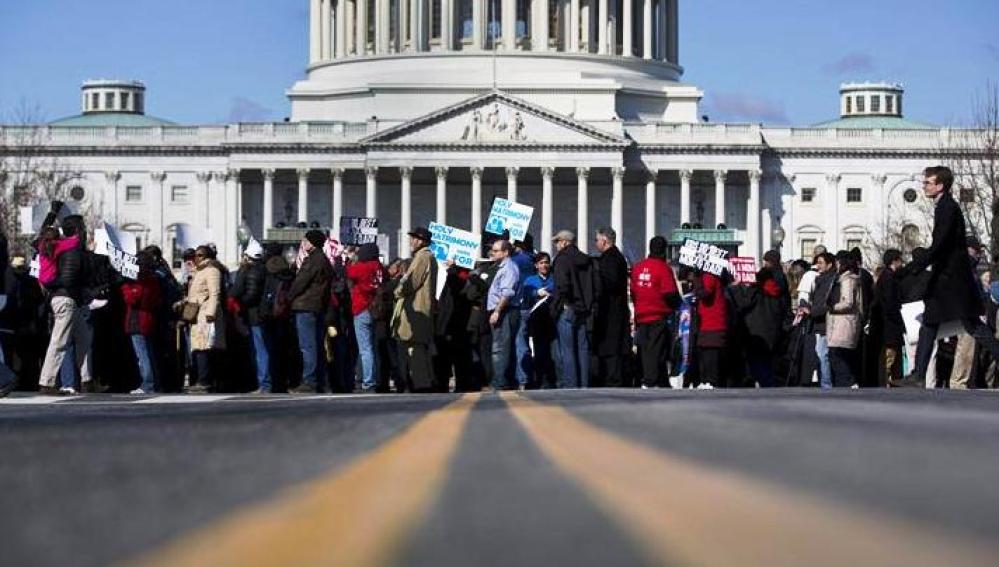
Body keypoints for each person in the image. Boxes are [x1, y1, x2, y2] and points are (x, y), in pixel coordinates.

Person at [907, 166, 999, 385]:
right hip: (949, 278)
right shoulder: (945, 206)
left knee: (972, 325)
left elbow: (941, 244)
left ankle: (918, 375)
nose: (924, 186)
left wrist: (917, 264)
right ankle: (918, 375)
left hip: (951, 280)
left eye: (928, 182)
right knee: (932, 322)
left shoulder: (947, 208)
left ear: (940, 185)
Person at [38, 214, 93, 396]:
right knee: (59, 341)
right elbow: (74, 242)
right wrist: (78, 235)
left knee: (83, 338)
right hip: (65, 299)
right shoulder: (62, 247)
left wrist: (51, 216)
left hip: (61, 296)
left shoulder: (45, 246)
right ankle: (47, 381)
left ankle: (87, 380)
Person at [630, 236, 681, 389]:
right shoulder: (663, 268)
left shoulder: (638, 267)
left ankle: (658, 380)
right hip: (658, 316)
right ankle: (650, 381)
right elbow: (669, 293)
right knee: (656, 351)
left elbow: (633, 292)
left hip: (641, 315)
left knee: (644, 349)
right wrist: (678, 305)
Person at [287, 230, 333, 393]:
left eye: (306, 241)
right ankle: (319, 380)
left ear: (312, 243)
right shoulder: (323, 259)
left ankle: (310, 381)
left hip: (306, 306)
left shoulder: (313, 260)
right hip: (316, 306)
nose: (303, 243)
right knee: (316, 345)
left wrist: (288, 297)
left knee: (308, 346)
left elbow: (300, 282)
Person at [392, 227, 437, 392]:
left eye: (417, 239)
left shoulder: (423, 256)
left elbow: (411, 282)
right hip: (420, 307)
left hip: (417, 308)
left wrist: (397, 291)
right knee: (418, 348)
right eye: (412, 238)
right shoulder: (426, 256)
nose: (413, 241)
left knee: (416, 347)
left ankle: (422, 384)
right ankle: (424, 382)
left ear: (424, 241)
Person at [552, 230, 594, 389]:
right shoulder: (586, 259)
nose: (556, 245)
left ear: (564, 242)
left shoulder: (562, 259)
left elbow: (562, 285)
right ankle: (583, 384)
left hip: (568, 307)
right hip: (583, 309)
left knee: (567, 349)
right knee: (582, 349)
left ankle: (570, 385)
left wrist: (557, 304)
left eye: (557, 242)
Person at [184, 245, 226, 393]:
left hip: (206, 313)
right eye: (195, 255)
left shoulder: (212, 270)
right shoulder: (199, 271)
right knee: (200, 347)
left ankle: (205, 381)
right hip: (197, 313)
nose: (196, 257)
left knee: (204, 347)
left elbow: (215, 293)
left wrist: (211, 312)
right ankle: (204, 380)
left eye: (200, 255)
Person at [593, 227, 631, 387]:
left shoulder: (610, 259)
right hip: (616, 310)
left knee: (611, 347)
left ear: (604, 240)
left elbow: (610, 283)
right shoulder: (617, 257)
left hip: (610, 311)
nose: (595, 243)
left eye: (596, 240)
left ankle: (612, 379)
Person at [231, 240, 271, 393]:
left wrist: (241, 303)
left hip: (255, 315)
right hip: (259, 314)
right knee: (261, 349)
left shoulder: (251, 271)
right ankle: (264, 382)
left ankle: (264, 383)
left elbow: (249, 294)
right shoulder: (262, 269)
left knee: (260, 350)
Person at [121, 252, 163, 394]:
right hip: (148, 319)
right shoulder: (154, 280)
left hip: (138, 320)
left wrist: (126, 287)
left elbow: (133, 299)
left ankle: (148, 384)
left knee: (142, 354)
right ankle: (154, 382)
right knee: (149, 353)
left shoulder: (140, 282)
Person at [346, 242, 383, 392]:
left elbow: (348, 271)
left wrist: (350, 257)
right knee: (372, 348)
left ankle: (368, 382)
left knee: (365, 349)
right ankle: (373, 379)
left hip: (362, 308)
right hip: (375, 309)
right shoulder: (379, 268)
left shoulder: (363, 267)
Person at [487, 239, 521, 390]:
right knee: (506, 347)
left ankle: (500, 382)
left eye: (496, 251)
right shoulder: (503, 267)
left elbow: (507, 293)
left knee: (500, 348)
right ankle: (506, 380)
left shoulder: (509, 268)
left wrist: (497, 311)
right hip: (506, 310)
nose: (492, 253)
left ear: (506, 252)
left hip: (505, 311)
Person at [826, 251, 864, 387]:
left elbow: (848, 302)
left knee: (837, 355)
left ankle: (849, 383)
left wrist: (833, 307)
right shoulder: (841, 278)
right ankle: (847, 382)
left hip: (844, 322)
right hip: (840, 322)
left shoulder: (848, 280)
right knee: (840, 355)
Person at [523, 252, 557, 389]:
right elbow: (525, 296)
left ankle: (552, 379)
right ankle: (540, 379)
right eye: (541, 263)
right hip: (536, 320)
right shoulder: (530, 280)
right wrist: (536, 293)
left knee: (553, 351)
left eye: (546, 262)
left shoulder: (554, 279)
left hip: (552, 319)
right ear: (536, 265)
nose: (544, 265)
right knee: (538, 350)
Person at [803, 252, 837, 388]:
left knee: (822, 354)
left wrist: (811, 311)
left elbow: (825, 304)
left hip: (824, 322)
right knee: (821, 353)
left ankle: (826, 383)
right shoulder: (821, 279)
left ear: (829, 264)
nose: (818, 265)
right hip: (819, 321)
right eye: (817, 262)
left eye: (821, 263)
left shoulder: (829, 280)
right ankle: (825, 381)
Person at [691, 268, 728, 388]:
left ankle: (710, 380)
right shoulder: (710, 276)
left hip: (712, 323)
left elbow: (704, 293)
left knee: (710, 354)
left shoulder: (709, 277)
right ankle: (706, 380)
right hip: (709, 322)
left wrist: (696, 279)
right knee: (705, 352)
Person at [874, 249, 905, 387]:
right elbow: (890, 302)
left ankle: (887, 379)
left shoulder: (885, 276)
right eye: (900, 260)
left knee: (890, 353)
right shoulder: (889, 277)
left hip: (887, 322)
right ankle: (887, 380)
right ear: (895, 261)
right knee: (890, 354)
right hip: (890, 323)